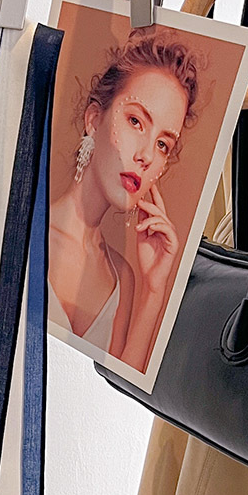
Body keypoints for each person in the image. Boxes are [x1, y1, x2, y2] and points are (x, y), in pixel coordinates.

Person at [48, 27, 201, 370]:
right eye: (135, 121)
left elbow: (116, 391)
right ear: (94, 119)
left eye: (162, 144)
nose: (146, 155)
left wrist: (154, 290)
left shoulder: (123, 278)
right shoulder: (24, 231)